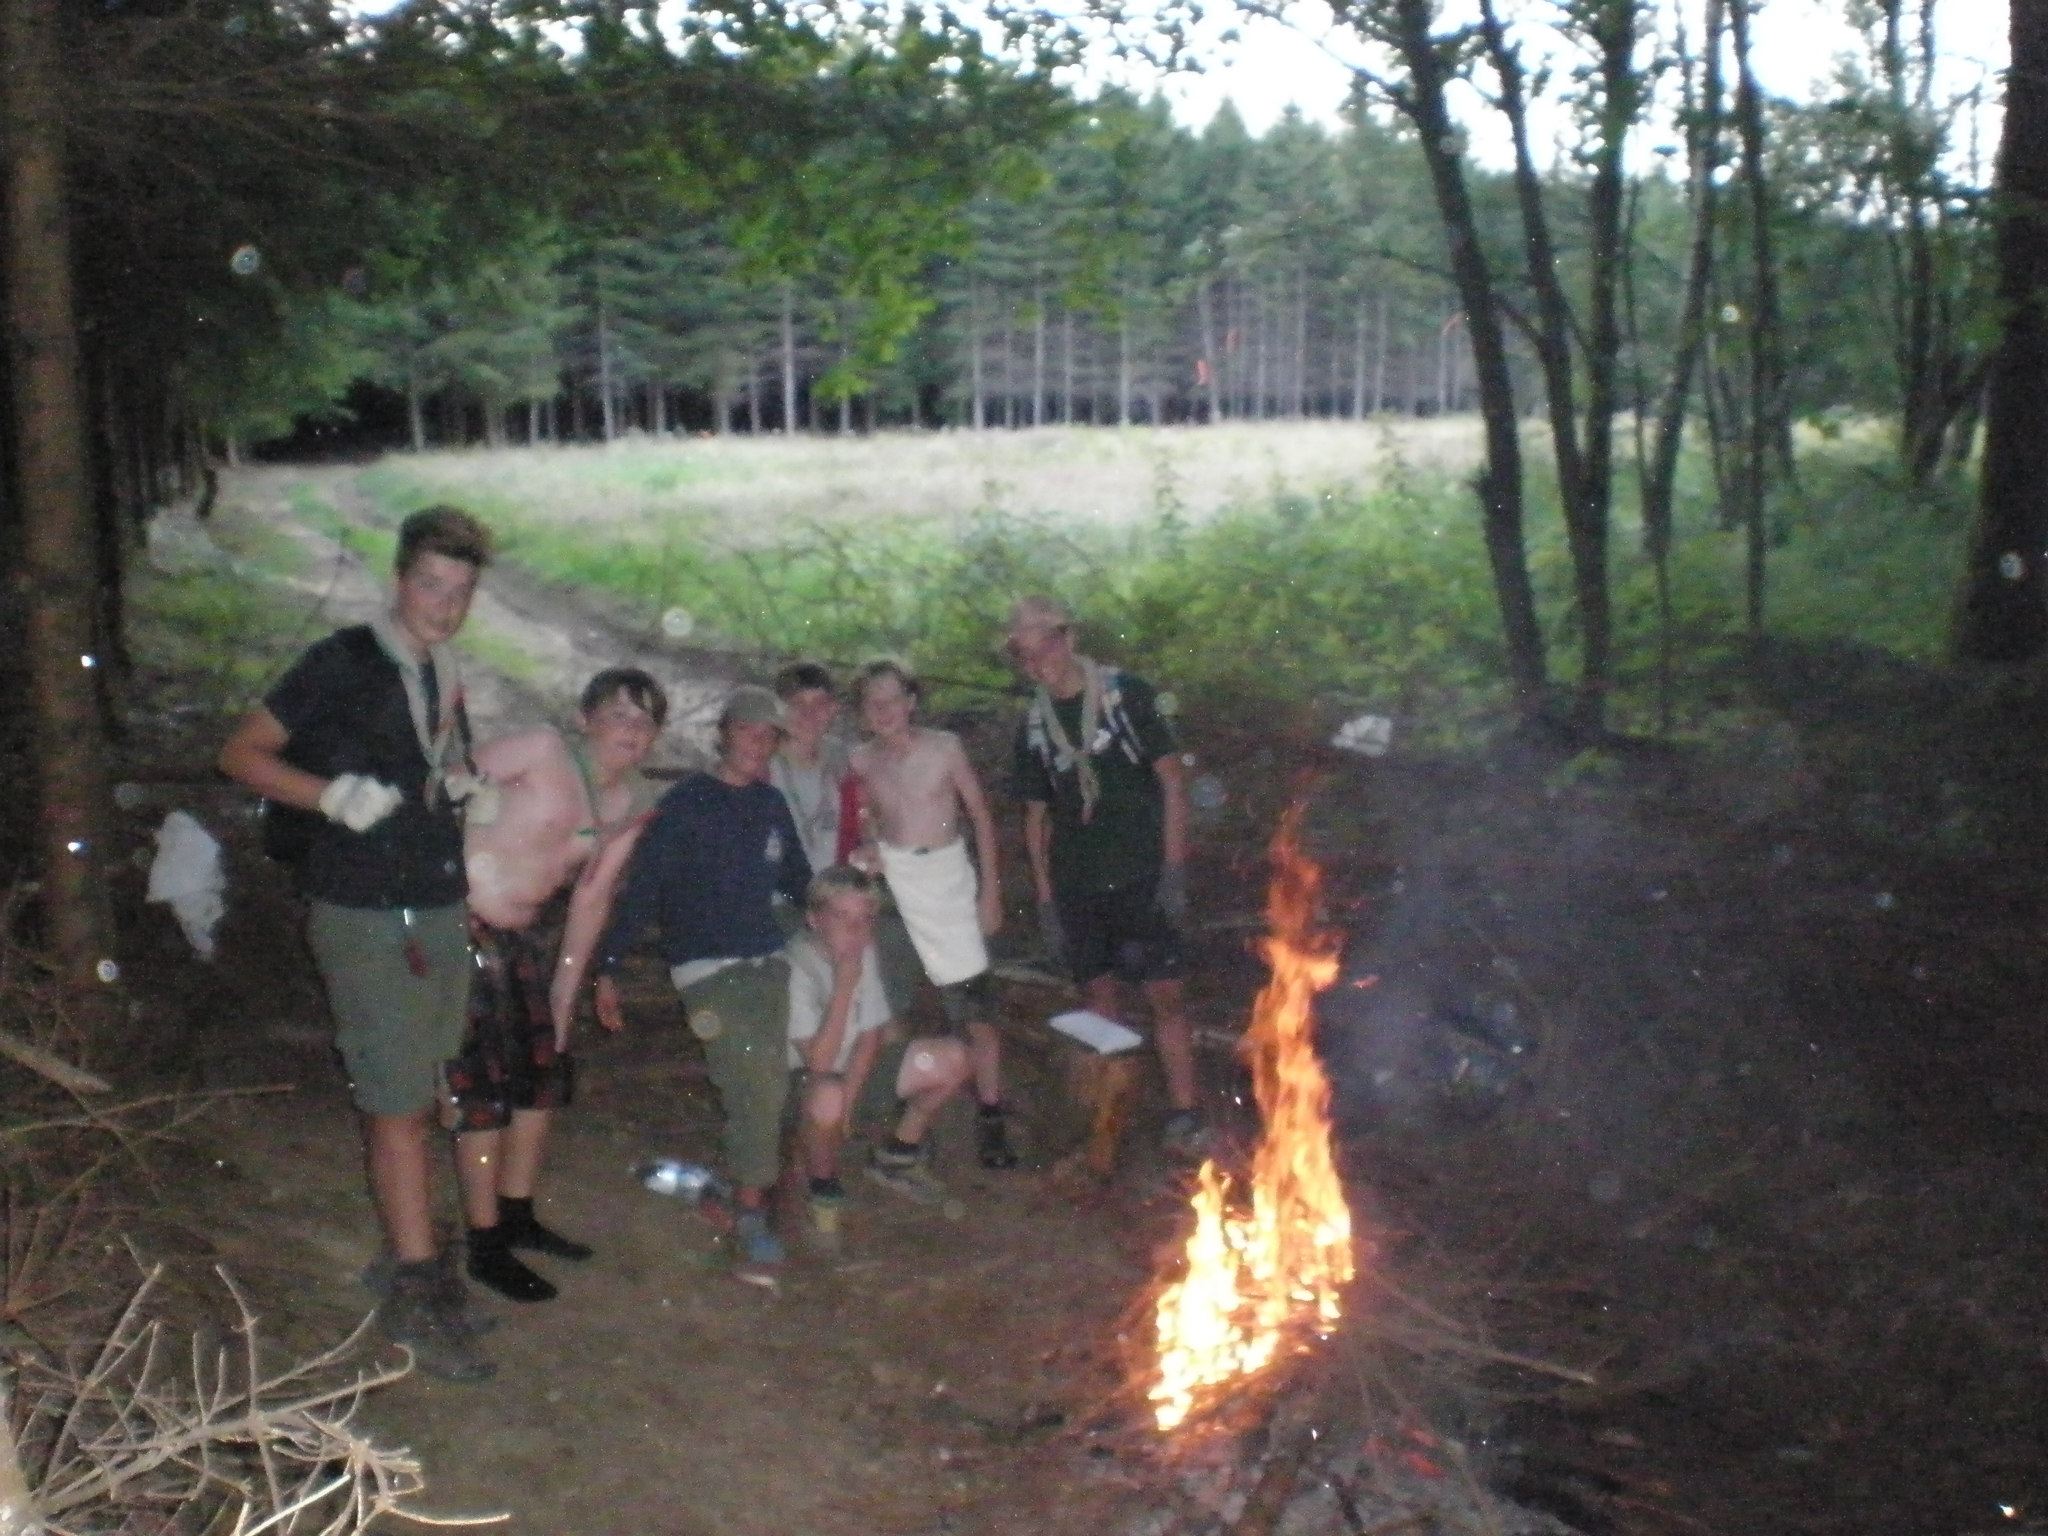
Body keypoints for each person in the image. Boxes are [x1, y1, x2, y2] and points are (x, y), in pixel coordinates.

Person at [218, 505, 497, 1382]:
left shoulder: (442, 668)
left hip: (432, 903)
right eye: (431, 585)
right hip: (363, 908)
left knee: (427, 1087)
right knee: (395, 1100)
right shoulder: (342, 660)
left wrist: (457, 790)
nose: (444, 605)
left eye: (460, 591)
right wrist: (329, 796)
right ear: (400, 579)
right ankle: (417, 1286)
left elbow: (424, 768)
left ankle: (410, 1257)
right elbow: (242, 753)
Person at [448, 669, 668, 1303]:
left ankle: (516, 1213)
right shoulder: (542, 750)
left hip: (518, 939)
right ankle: (484, 1241)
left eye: (646, 721)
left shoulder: (632, 802)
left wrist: (566, 994)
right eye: (620, 714)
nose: (633, 730)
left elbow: (593, 896)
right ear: (585, 718)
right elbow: (442, 786)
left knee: (542, 1073)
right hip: (458, 927)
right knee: (481, 1088)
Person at [592, 684, 811, 1275]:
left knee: (770, 1078)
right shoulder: (688, 802)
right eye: (747, 730)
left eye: (769, 734)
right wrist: (607, 966)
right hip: (709, 967)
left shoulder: (770, 803)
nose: (757, 743)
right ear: (724, 734)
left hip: (767, 962)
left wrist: (845, 887)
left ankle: (749, 1188)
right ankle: (749, 1212)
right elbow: (643, 889)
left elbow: (798, 880)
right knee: (756, 1080)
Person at [1004, 595, 1207, 1157]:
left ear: (1067, 640)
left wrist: (1173, 868)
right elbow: (1036, 818)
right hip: (1078, 882)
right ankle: (1110, 1120)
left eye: (1043, 649)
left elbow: (1172, 780)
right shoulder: (1036, 725)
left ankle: (1186, 1111)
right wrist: (1047, 899)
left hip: (1141, 871)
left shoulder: (1126, 696)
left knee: (1166, 993)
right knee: (1100, 998)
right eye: (1024, 656)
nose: (1037, 665)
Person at [844, 659, 1015, 1170]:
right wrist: (870, 842)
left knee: (976, 1010)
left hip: (946, 881)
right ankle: (905, 1108)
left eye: (893, 699)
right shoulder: (861, 759)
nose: (884, 711)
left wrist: (990, 892)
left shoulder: (944, 748)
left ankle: (991, 1115)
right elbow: (865, 813)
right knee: (889, 997)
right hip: (894, 879)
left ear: (912, 702)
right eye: (873, 703)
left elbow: (980, 814)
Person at [783, 865, 971, 1246]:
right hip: (801, 1086)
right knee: (829, 1094)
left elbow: (871, 1035)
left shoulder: (862, 953)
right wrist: (844, 986)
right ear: (814, 920)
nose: (855, 930)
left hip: (852, 1071)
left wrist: (851, 1105)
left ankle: (898, 1156)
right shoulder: (794, 965)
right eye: (842, 917)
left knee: (954, 1058)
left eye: (865, 919)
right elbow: (818, 1063)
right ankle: (823, 1188)